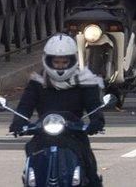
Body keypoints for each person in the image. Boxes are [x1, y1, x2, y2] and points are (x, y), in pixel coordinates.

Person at [9, 34, 106, 187]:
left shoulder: (86, 81)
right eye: (56, 62)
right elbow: (25, 106)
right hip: (43, 135)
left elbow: (94, 106)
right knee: (31, 161)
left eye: (64, 62)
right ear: (48, 60)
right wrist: (18, 121)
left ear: (73, 60)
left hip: (74, 135)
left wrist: (97, 121)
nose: (60, 66)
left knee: (90, 170)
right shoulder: (37, 82)